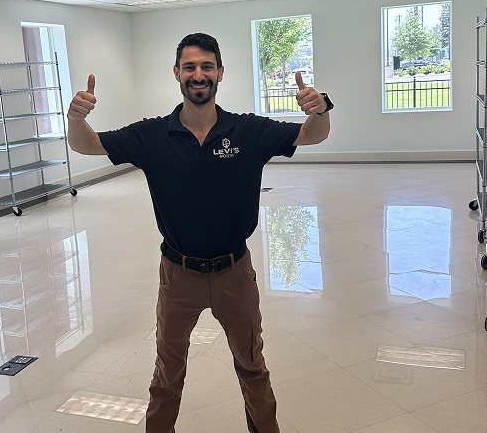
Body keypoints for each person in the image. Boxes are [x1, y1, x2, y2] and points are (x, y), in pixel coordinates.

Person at [67, 33, 331, 433]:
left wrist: (320, 109)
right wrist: (76, 119)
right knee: (167, 373)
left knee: (252, 367)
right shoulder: (151, 136)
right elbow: (87, 145)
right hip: (179, 276)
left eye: (207, 66)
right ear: (177, 73)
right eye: (189, 67)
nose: (198, 74)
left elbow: (312, 134)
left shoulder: (248, 131)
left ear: (220, 73)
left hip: (234, 273)